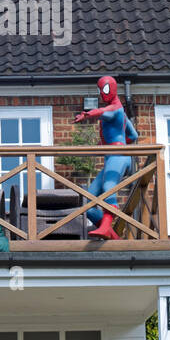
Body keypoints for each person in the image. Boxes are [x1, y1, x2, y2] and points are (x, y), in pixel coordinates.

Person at [74, 76, 138, 240]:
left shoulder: (115, 109)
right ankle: (110, 231)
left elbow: (102, 113)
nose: (103, 93)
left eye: (106, 89)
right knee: (88, 202)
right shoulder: (122, 113)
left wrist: (87, 115)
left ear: (114, 89)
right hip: (112, 157)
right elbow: (133, 134)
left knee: (109, 187)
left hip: (118, 156)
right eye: (101, 90)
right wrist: (121, 140)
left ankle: (105, 226)